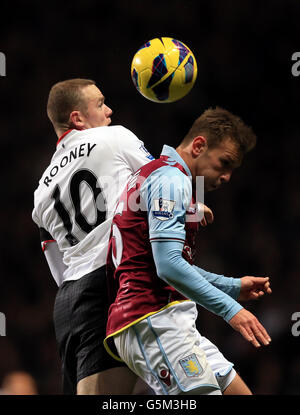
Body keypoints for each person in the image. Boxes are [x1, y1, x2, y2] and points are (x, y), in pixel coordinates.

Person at [104, 107, 272, 395]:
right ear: (199, 146)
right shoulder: (170, 179)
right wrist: (231, 310)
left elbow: (172, 264)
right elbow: (168, 266)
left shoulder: (159, 175)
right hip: (151, 316)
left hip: (173, 317)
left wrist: (232, 287)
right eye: (224, 163)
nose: (228, 177)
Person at [32, 78, 160, 395]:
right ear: (77, 118)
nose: (109, 110)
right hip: (115, 281)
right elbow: (162, 182)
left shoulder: (41, 190)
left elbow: (58, 269)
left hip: (70, 303)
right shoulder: (113, 138)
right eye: (101, 103)